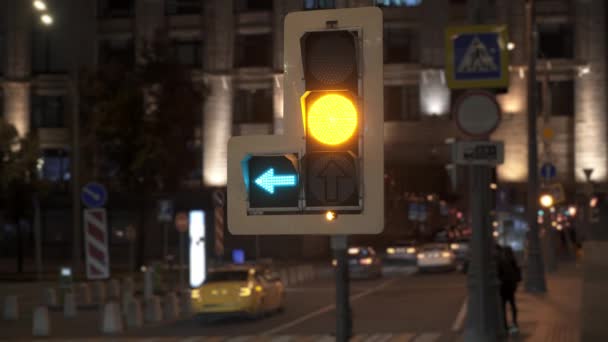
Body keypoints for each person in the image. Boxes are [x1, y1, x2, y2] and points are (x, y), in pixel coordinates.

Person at [497, 245, 521, 334]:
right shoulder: (513, 261)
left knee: (503, 307)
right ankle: (514, 323)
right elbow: (518, 275)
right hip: (511, 287)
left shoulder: (502, 262)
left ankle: (505, 325)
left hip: (503, 288)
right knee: (512, 305)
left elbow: (498, 274)